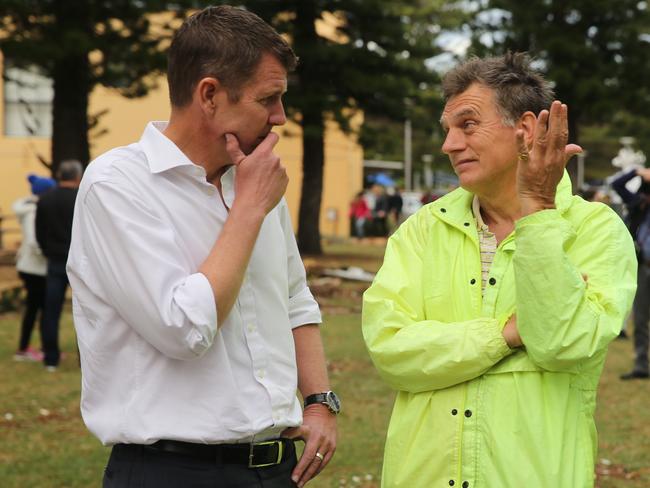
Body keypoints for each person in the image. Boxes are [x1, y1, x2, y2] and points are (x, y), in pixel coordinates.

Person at [66, 6, 338, 488]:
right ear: (209, 95)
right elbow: (183, 328)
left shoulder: (253, 181)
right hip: (171, 471)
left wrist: (319, 402)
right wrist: (249, 210)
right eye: (268, 99)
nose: (280, 118)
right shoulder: (116, 185)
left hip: (277, 468)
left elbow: (295, 299)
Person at [362, 52, 636, 487]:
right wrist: (507, 336)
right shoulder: (421, 231)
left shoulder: (593, 230)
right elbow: (391, 352)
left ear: (524, 130)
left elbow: (561, 344)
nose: (449, 144)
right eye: (447, 130)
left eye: (468, 125)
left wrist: (539, 213)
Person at [35, 160, 82, 371]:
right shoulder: (81, 198)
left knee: (50, 310)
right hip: (80, 262)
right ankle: (85, 358)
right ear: (77, 177)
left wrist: (47, 251)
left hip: (55, 260)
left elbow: (39, 233)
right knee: (87, 312)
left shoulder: (45, 199)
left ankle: (51, 358)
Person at [12, 174, 56, 361]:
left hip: (32, 266)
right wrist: (48, 255)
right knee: (36, 309)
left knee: (38, 308)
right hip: (35, 268)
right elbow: (33, 241)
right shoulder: (33, 212)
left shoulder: (30, 207)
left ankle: (38, 347)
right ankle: (25, 349)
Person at [612, 167, 650, 379]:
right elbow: (618, 184)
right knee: (641, 318)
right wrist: (637, 171)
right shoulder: (639, 204)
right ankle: (641, 365)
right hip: (644, 265)